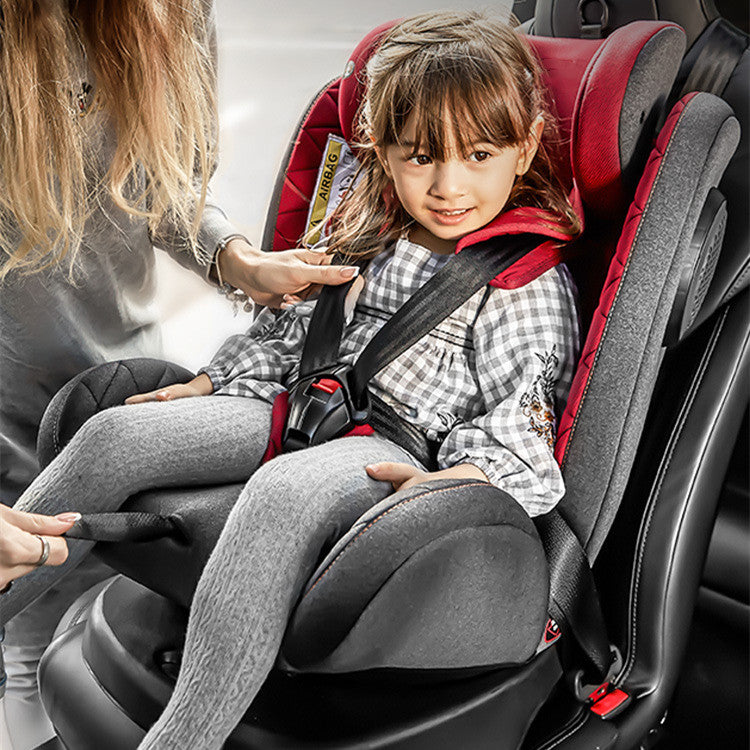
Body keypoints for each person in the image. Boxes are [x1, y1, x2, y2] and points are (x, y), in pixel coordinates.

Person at [3, 10, 582, 748]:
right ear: (380, 148)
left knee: (280, 493)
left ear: (524, 144)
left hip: (397, 451)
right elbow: (290, 333)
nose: (446, 185)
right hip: (297, 405)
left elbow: (522, 419)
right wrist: (215, 384)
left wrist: (463, 480)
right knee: (114, 435)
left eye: (478, 155)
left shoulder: (523, 283)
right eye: (418, 157)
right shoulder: (365, 226)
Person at [0, 2, 356, 747]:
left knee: (80, 629)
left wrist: (235, 258)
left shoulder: (165, 17)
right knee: (29, 654)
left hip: (109, 383)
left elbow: (161, 193)